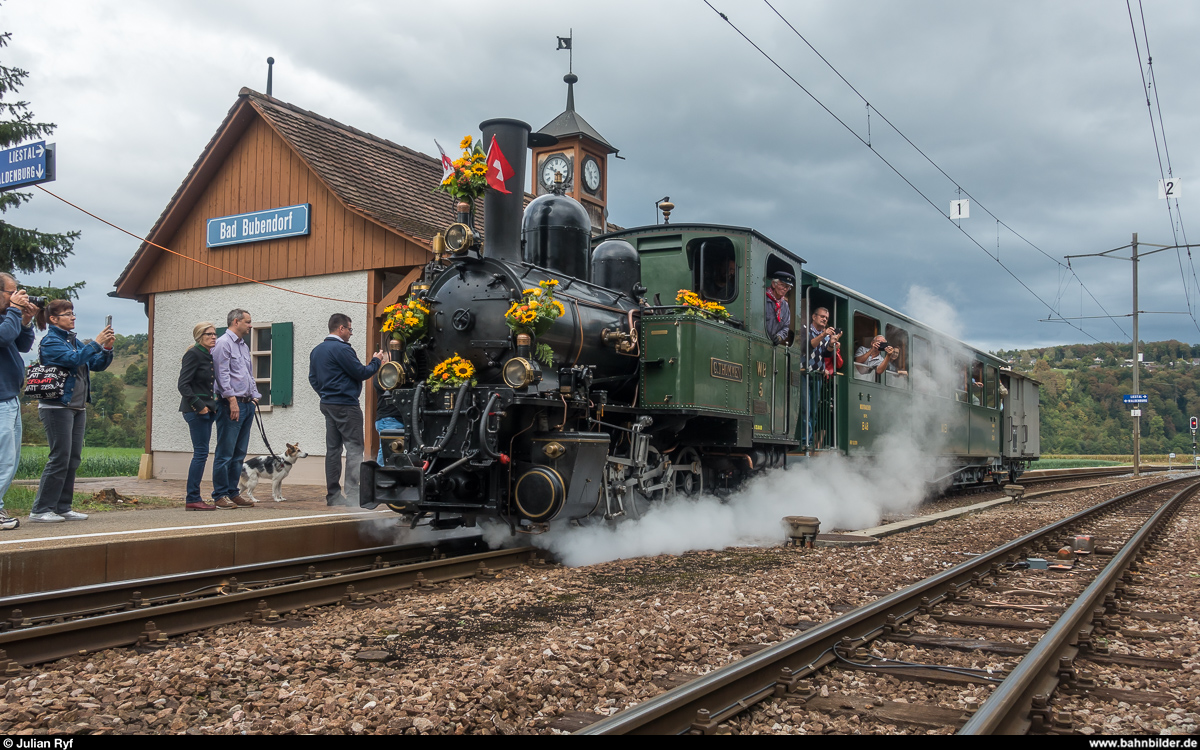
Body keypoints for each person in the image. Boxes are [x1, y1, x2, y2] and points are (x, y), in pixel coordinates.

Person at [28, 300, 114, 523]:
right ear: (53, 319)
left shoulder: (73, 341)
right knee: (59, 458)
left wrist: (106, 349)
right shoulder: (51, 342)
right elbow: (74, 360)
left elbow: (95, 364)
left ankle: (62, 507)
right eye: (67, 314)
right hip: (57, 407)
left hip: (77, 407)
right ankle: (41, 509)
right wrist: (95, 343)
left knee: (72, 459)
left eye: (73, 314)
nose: (73, 317)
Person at [309, 313, 383, 506]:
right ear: (340, 328)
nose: (351, 333)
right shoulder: (342, 349)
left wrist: (325, 394)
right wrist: (376, 361)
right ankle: (353, 492)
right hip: (346, 405)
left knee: (333, 450)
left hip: (328, 404)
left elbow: (312, 379)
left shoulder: (317, 350)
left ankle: (333, 495)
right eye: (349, 329)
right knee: (354, 448)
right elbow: (361, 372)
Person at [211, 309, 258, 509]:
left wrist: (255, 396)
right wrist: (231, 400)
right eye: (248, 322)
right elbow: (221, 375)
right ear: (236, 321)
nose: (250, 325)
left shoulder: (243, 345)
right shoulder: (223, 343)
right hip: (231, 404)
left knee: (239, 453)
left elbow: (248, 374)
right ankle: (220, 494)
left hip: (246, 404)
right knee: (225, 452)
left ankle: (232, 492)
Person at [0, 274, 36, 530]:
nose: (16, 296)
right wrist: (14, 310)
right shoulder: (5, 319)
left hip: (10, 397)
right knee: (3, 459)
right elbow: (3, 337)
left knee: (11, 460)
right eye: (11, 292)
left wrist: (26, 319)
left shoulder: (7, 318)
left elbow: (22, 345)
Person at [178, 322, 220, 511]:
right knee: (200, 454)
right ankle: (192, 497)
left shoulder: (207, 355)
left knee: (202, 453)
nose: (213, 337)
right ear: (199, 336)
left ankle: (193, 497)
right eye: (209, 334)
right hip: (195, 411)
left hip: (208, 410)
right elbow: (183, 385)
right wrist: (200, 406)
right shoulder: (193, 354)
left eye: (214, 334)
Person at [801, 306, 842, 448]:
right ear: (814, 317)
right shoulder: (806, 329)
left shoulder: (824, 335)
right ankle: (806, 441)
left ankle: (810, 441)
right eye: (822, 316)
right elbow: (808, 346)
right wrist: (824, 335)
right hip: (804, 373)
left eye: (826, 318)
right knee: (805, 409)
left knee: (813, 411)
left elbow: (826, 354)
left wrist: (831, 344)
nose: (824, 319)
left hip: (817, 376)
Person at [765, 271, 794, 345]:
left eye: (787, 287)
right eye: (782, 285)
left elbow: (786, 327)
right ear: (774, 284)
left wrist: (780, 336)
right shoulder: (763, 298)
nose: (784, 289)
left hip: (772, 344)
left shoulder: (785, 306)